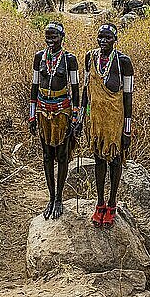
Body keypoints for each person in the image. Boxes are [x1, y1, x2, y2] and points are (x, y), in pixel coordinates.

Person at [81, 23, 133, 228]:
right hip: (96, 121)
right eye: (100, 37)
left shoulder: (123, 62)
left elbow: (128, 97)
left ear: (115, 40)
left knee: (115, 161)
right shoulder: (90, 58)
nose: (103, 41)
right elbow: (86, 91)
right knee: (98, 160)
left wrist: (127, 129)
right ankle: (100, 202)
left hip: (115, 121)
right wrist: (81, 116)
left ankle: (112, 204)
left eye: (108, 38)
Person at [29, 22, 79, 220]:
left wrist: (76, 117)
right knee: (47, 155)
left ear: (62, 37)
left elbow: (75, 90)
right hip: (43, 110)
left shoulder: (69, 60)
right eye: (47, 36)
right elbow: (34, 86)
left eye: (54, 36)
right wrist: (32, 115)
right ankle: (51, 198)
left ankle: (59, 198)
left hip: (62, 111)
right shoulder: (39, 57)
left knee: (62, 154)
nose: (50, 40)